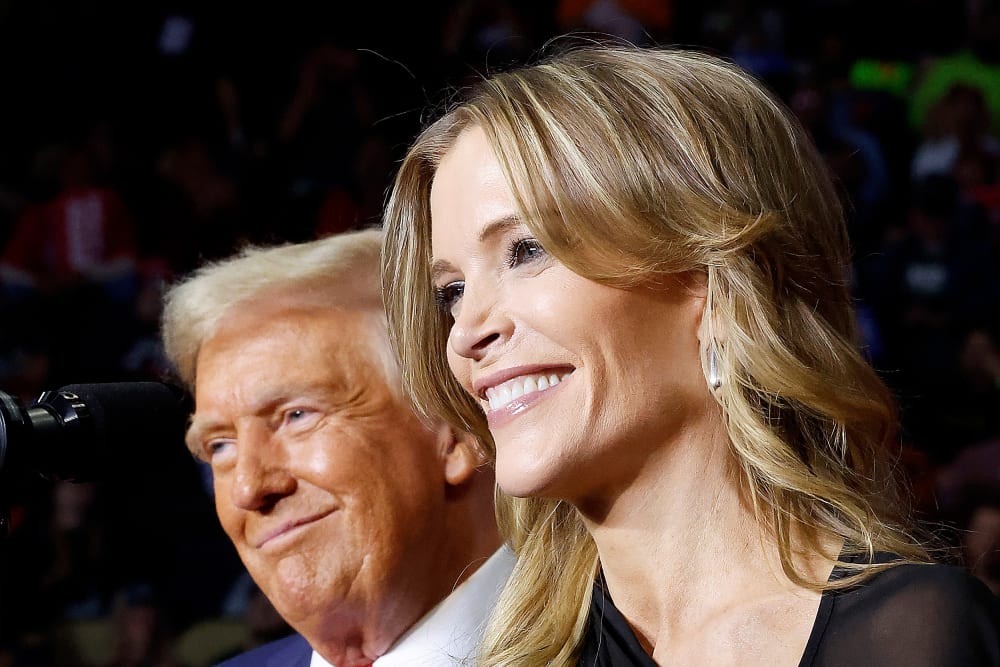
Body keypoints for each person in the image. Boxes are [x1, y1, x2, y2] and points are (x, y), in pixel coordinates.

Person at [380, 44, 1000, 665]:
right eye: (451, 293)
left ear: (710, 282)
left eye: (526, 250)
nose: (465, 333)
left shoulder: (913, 635)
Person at [160, 228, 512, 666]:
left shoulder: (611, 646)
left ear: (457, 430)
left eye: (296, 417)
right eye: (221, 446)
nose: (248, 490)